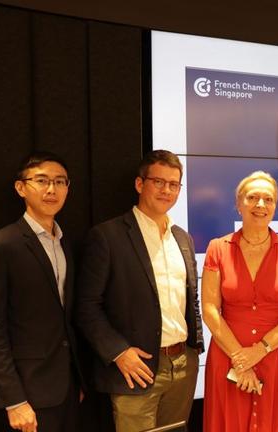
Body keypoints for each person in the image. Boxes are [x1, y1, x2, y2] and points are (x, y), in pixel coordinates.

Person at [75, 150, 203, 432]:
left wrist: (194, 351)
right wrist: (118, 352)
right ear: (139, 184)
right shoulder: (108, 236)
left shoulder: (182, 238)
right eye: (159, 182)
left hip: (182, 365)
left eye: (174, 184)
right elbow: (86, 306)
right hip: (137, 370)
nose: (166, 190)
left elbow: (190, 299)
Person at [201, 171, 278, 431]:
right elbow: (209, 310)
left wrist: (259, 350)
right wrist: (240, 359)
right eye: (252, 197)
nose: (260, 205)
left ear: (275, 206)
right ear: (238, 204)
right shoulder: (217, 248)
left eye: (268, 199)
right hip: (229, 356)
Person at [0, 152, 81, 432]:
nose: (52, 189)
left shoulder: (65, 242)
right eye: (42, 181)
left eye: (60, 182)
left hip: (68, 388)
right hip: (28, 393)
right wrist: (14, 399)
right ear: (21, 187)